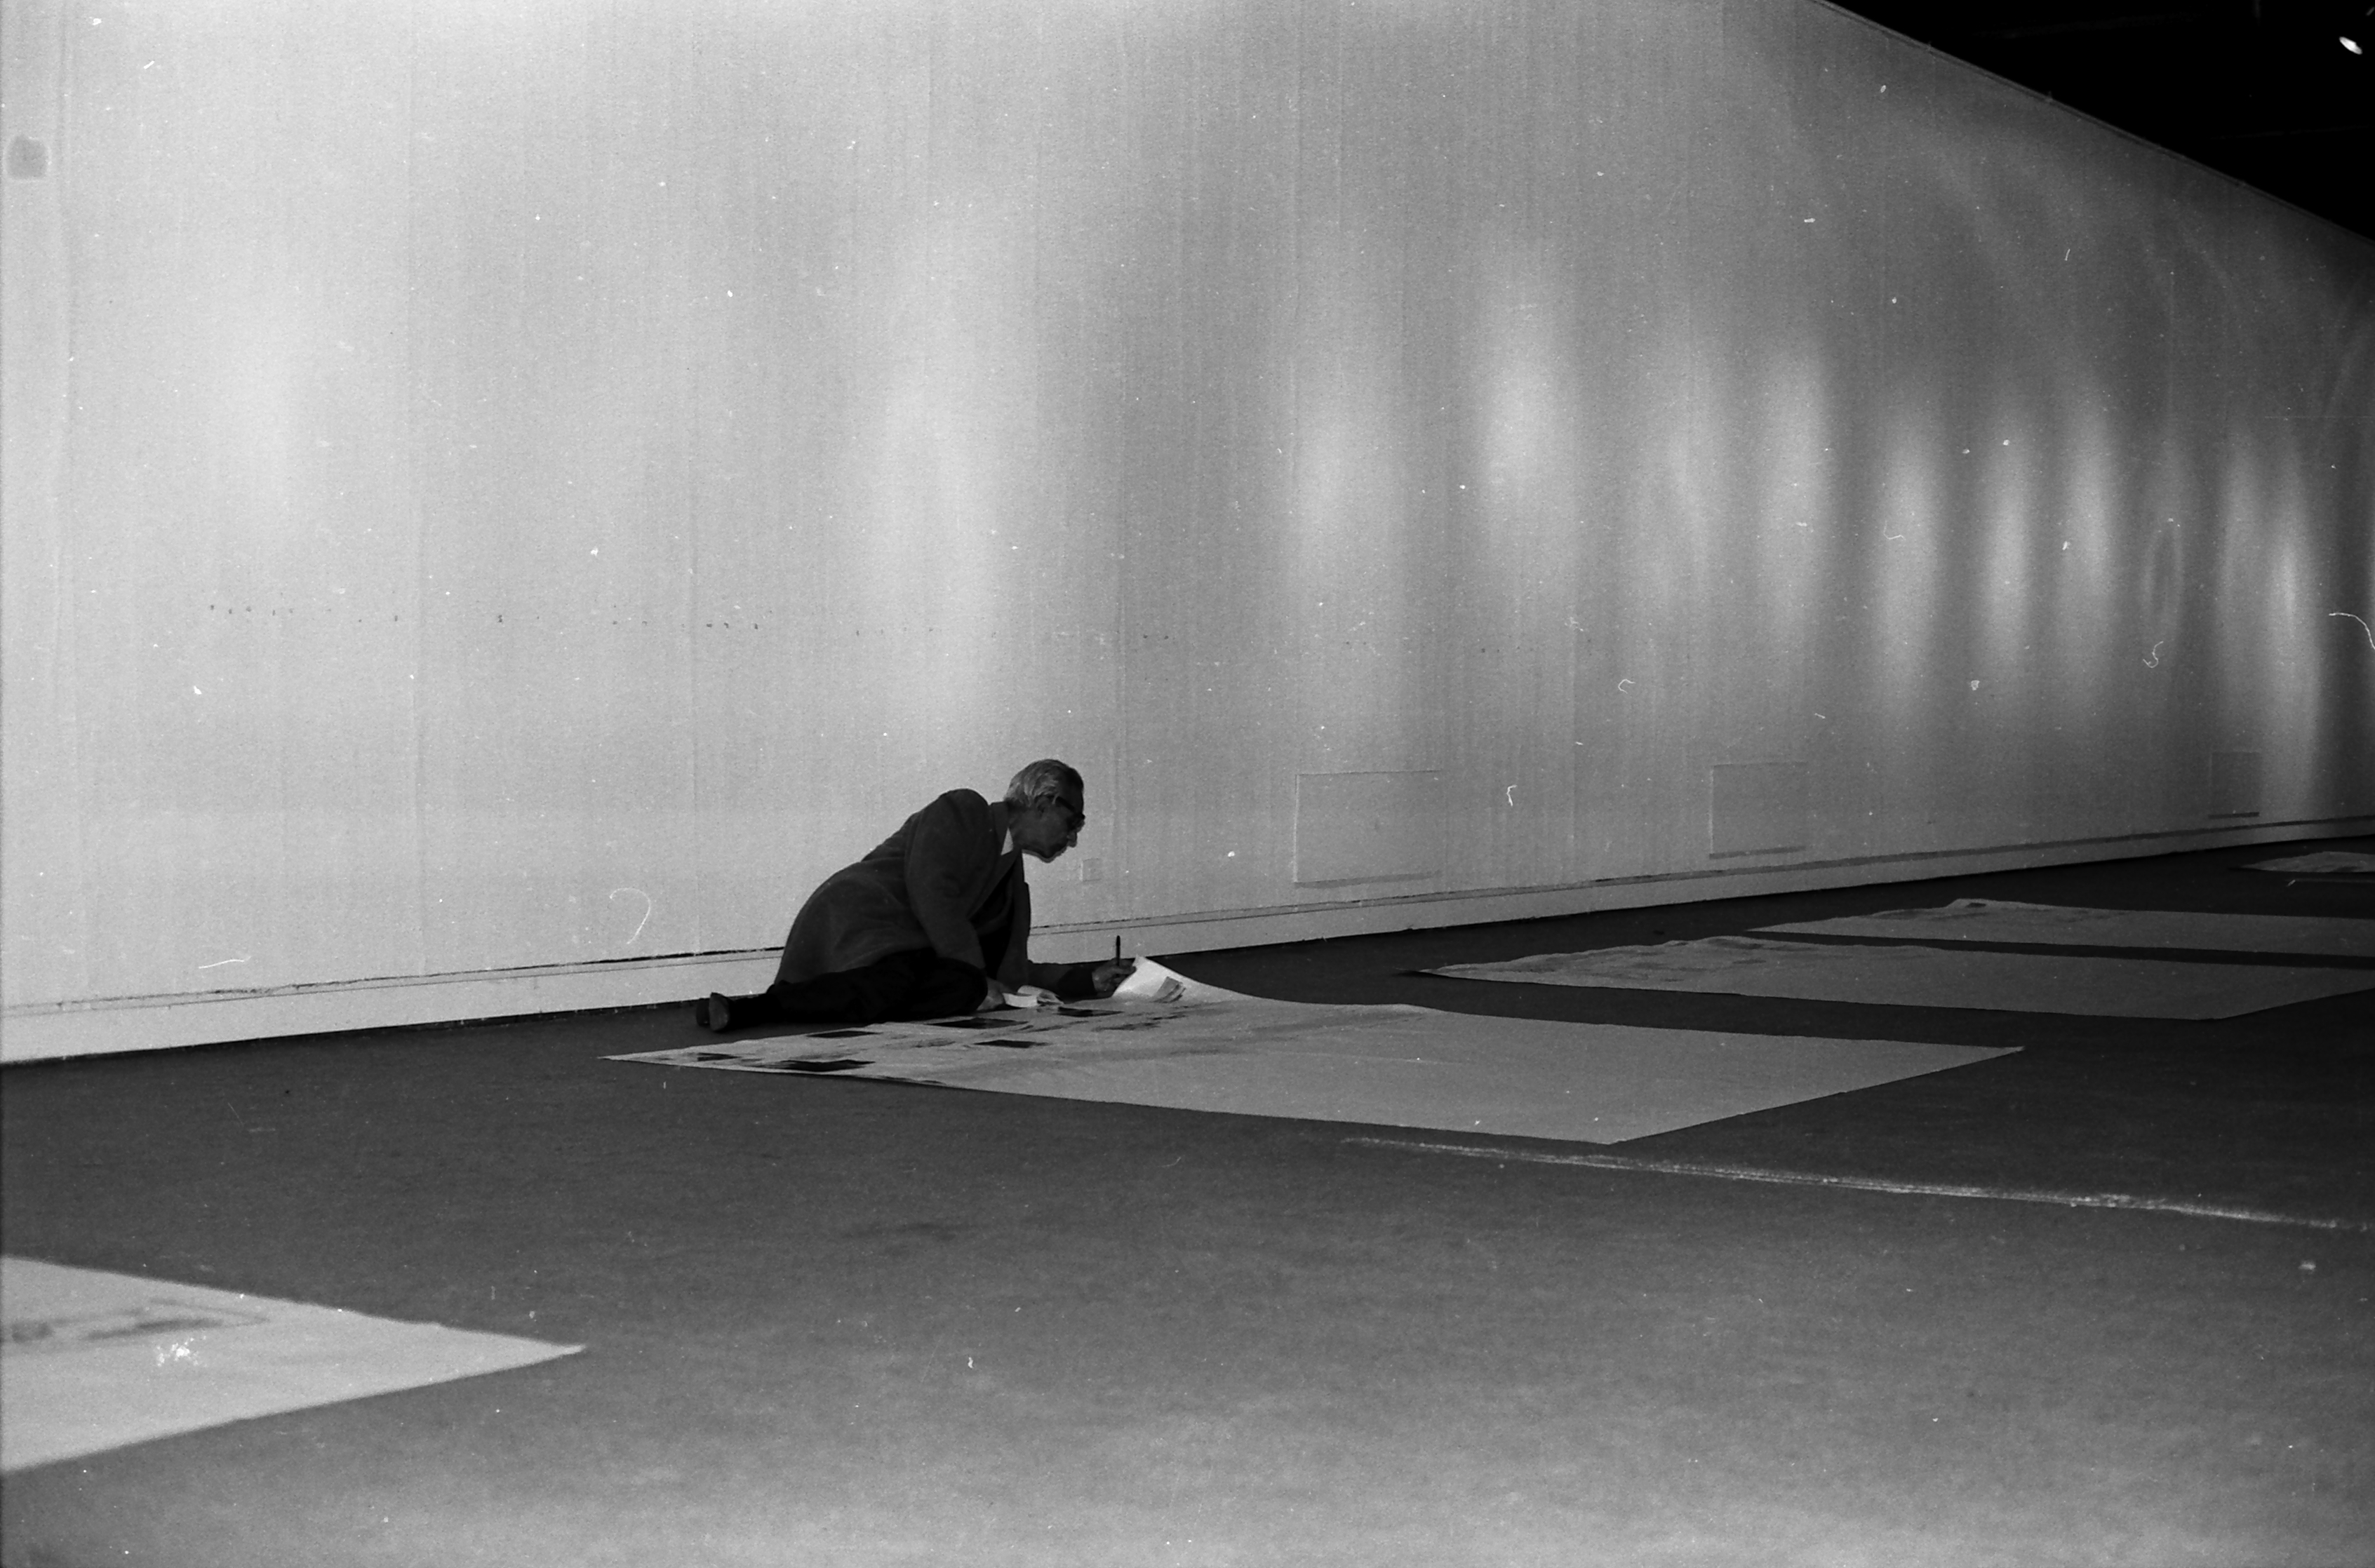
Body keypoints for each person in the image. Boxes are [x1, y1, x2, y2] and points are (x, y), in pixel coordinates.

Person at [694, 760, 1135, 1031]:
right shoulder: (963, 810)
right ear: (1044, 803)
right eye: (1073, 822)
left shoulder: (1012, 882)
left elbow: (1014, 970)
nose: (1072, 838)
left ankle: (762, 1009)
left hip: (913, 954)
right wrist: (978, 980)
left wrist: (1085, 980)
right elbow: (933, 897)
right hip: (858, 919)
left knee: (951, 987)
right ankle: (754, 1010)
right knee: (946, 982)